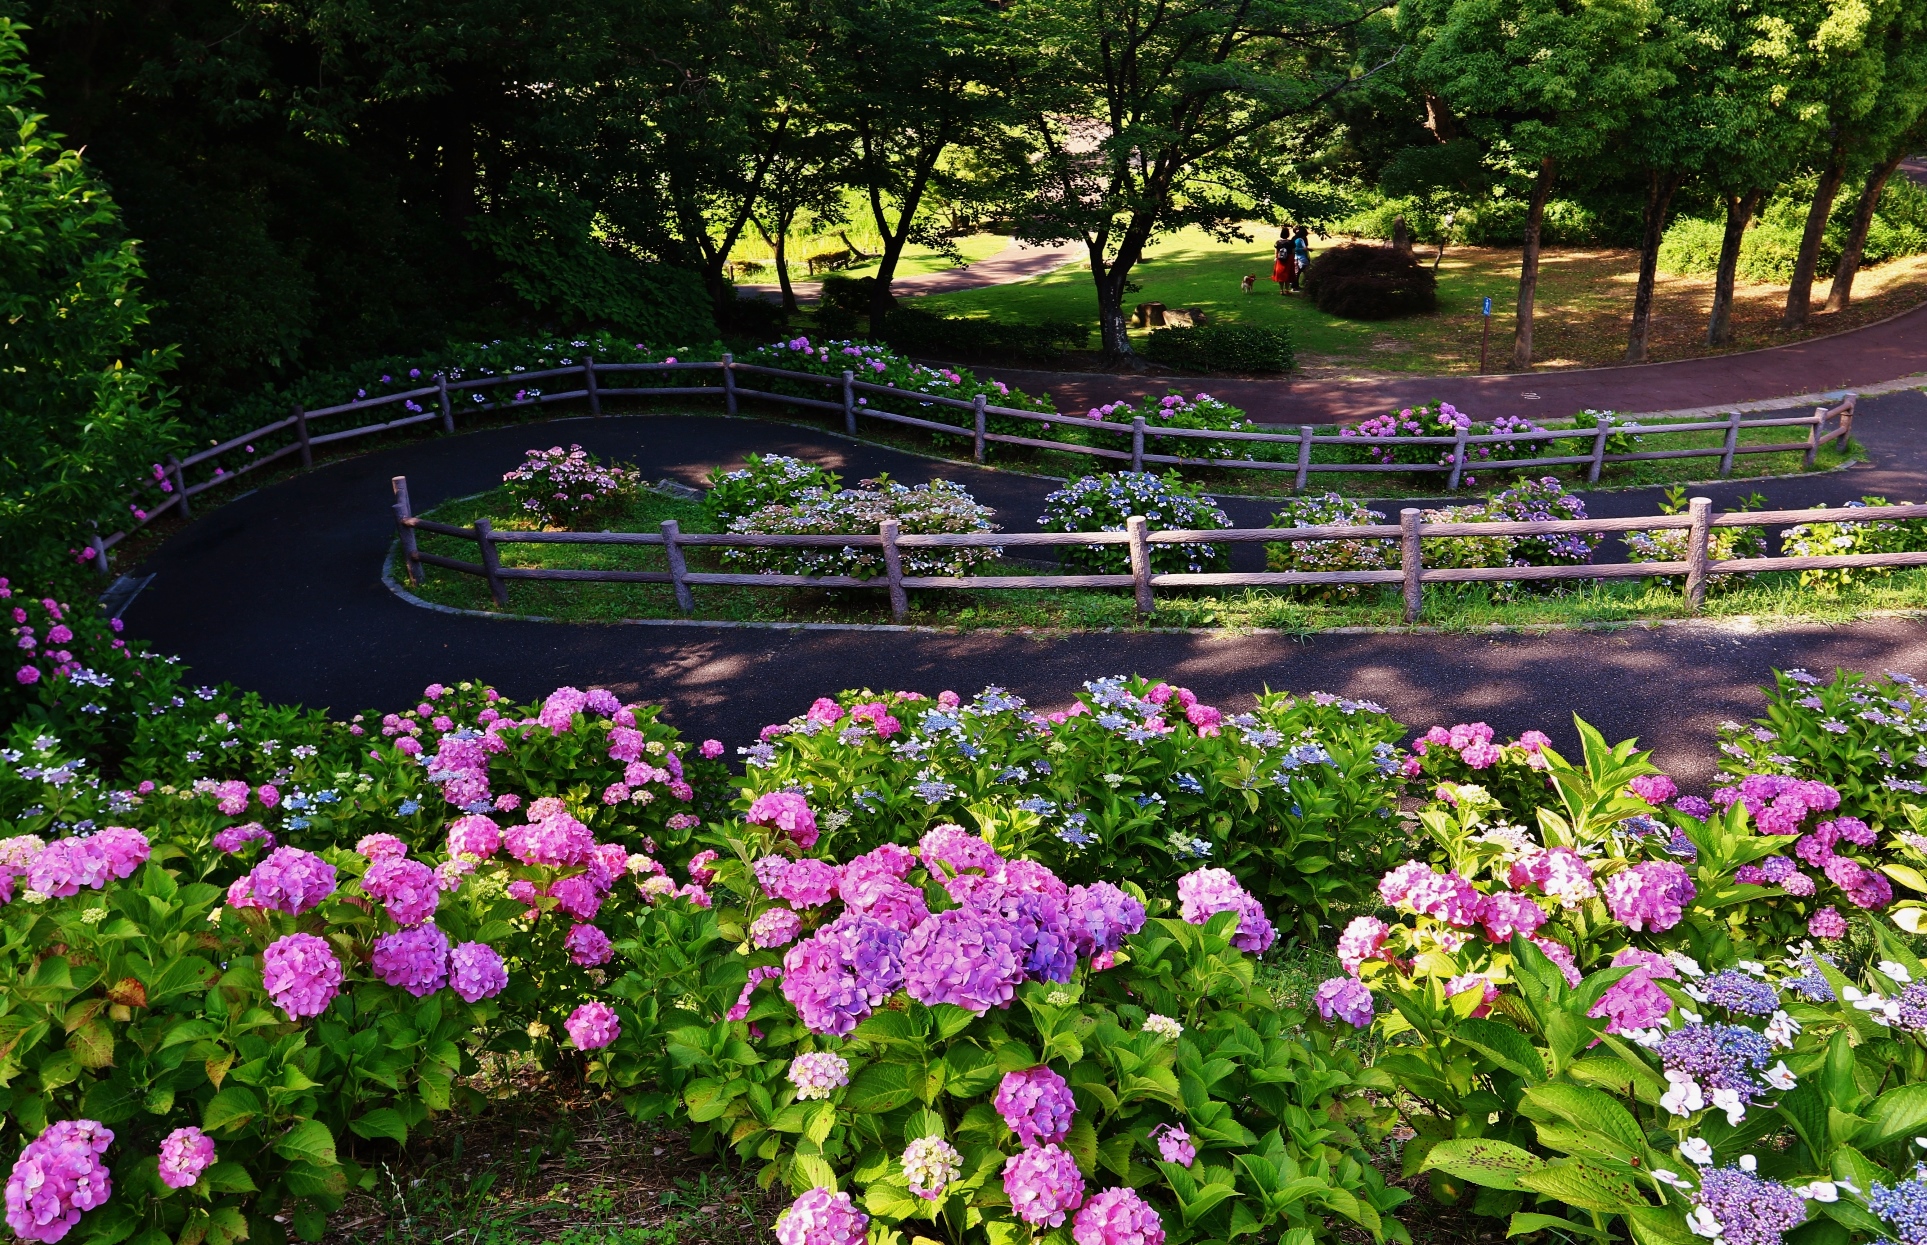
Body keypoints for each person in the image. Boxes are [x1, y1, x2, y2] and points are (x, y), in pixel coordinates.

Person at [1290, 226, 1312, 291]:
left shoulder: (1303, 239)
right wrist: (1304, 249)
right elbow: (1295, 249)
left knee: (1304, 272)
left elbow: (1305, 246)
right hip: (1298, 257)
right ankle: (1294, 286)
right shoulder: (1296, 239)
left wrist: (1307, 249)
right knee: (1297, 272)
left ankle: (1306, 285)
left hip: (1303, 256)